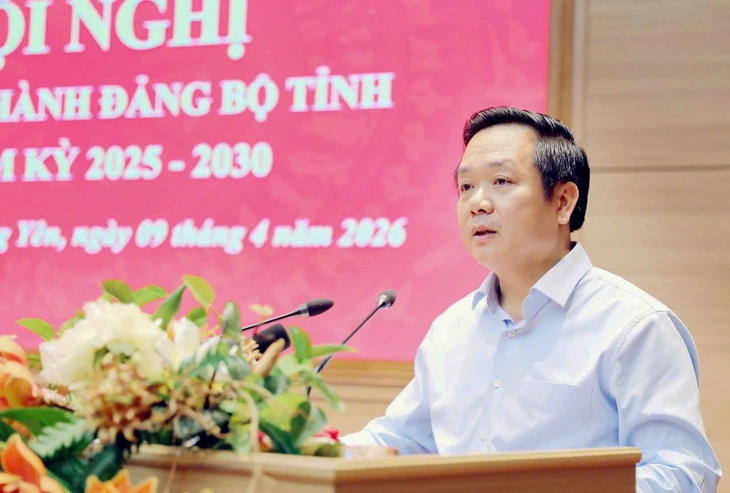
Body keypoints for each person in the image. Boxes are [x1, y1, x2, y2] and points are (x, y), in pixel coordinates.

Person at [340, 107, 722, 492]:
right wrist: (315, 449)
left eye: (501, 181)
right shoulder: (451, 330)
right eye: (466, 186)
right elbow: (402, 440)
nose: (477, 203)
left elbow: (683, 473)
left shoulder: (634, 327)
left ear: (563, 202)